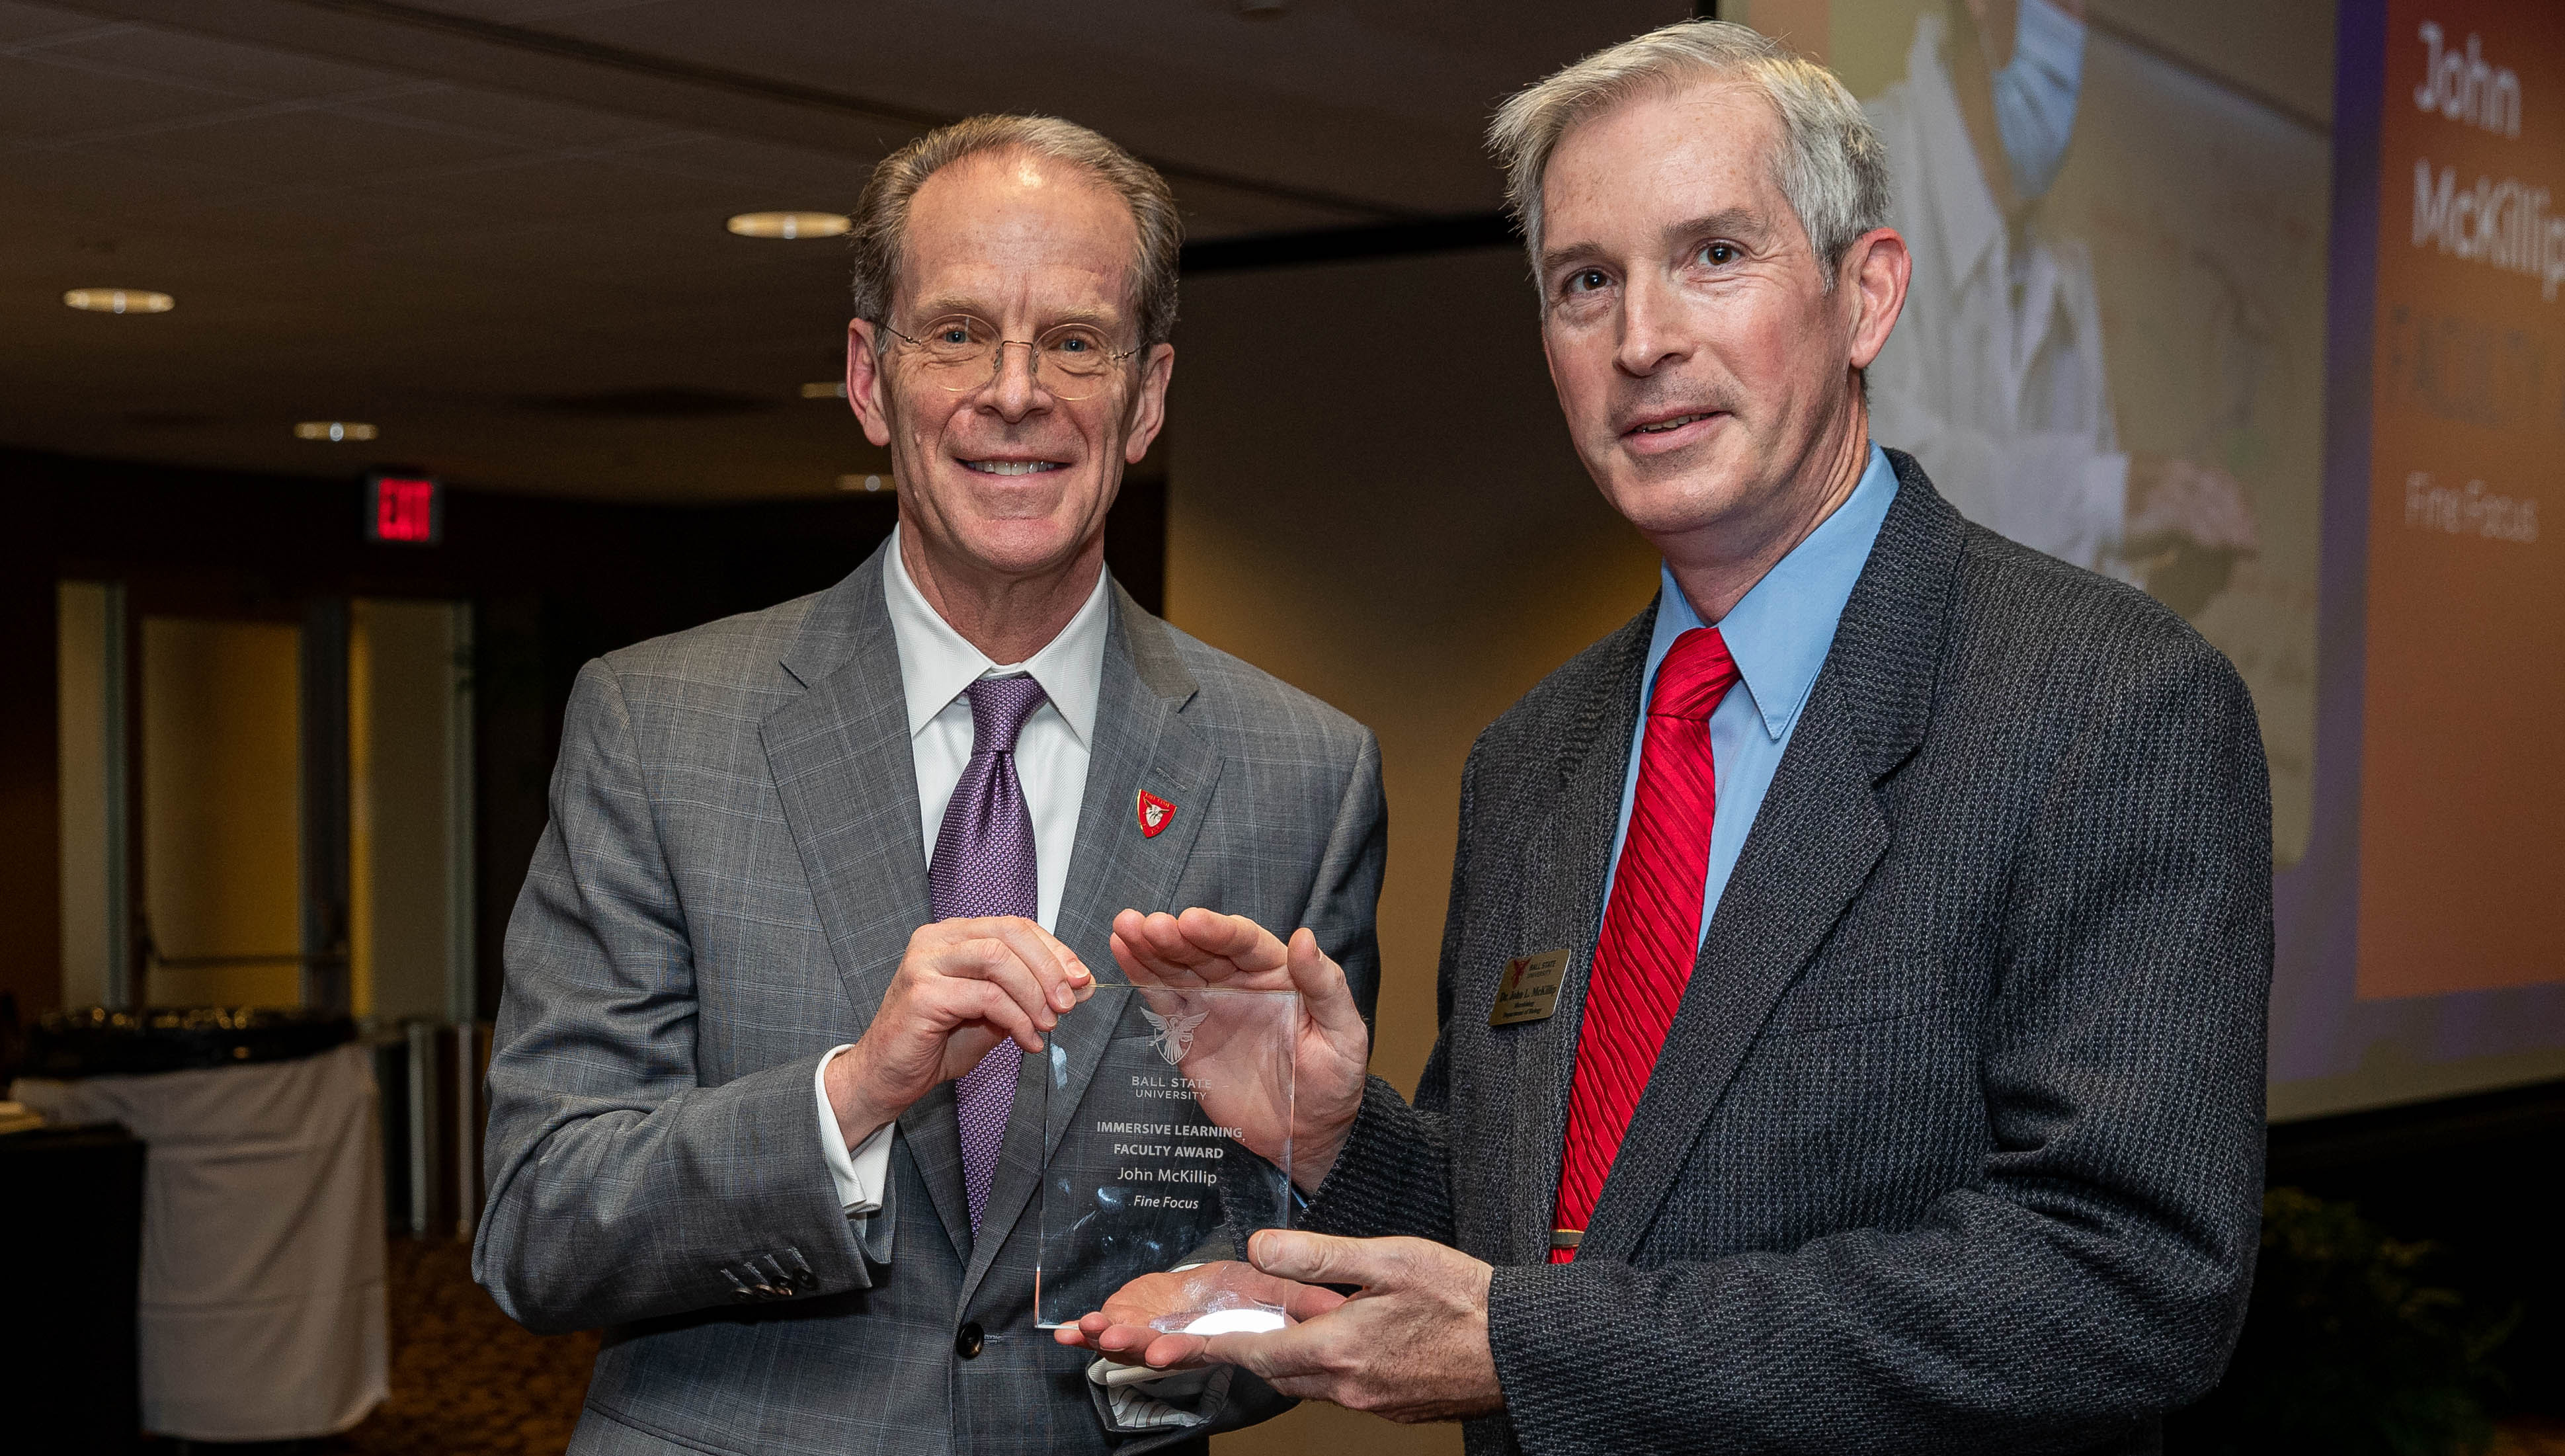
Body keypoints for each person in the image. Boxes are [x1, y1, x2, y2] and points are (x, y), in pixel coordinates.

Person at [1063, 21, 2271, 1455]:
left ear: (1867, 294)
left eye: (1715, 255)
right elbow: (1530, 1233)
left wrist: (1530, 1348)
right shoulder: (1534, 759)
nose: (1644, 340)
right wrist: (1335, 1141)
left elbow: (2119, 1286)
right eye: (1587, 283)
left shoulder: (2107, 709)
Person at [474, 114, 1387, 1455]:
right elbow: (539, 1226)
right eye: (955, 332)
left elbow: (1284, 1268)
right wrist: (852, 1095)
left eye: (1075, 341)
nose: (1013, 391)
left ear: (1144, 397)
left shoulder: (1298, 771)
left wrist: (1189, 1353)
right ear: (868, 379)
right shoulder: (657, 726)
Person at [1862, 0, 2260, 616]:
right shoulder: (1861, 179)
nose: (2079, 28)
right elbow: (1875, 478)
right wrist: (2111, 498)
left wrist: (2155, 598)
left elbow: (2040, 579)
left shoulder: (2055, 254)